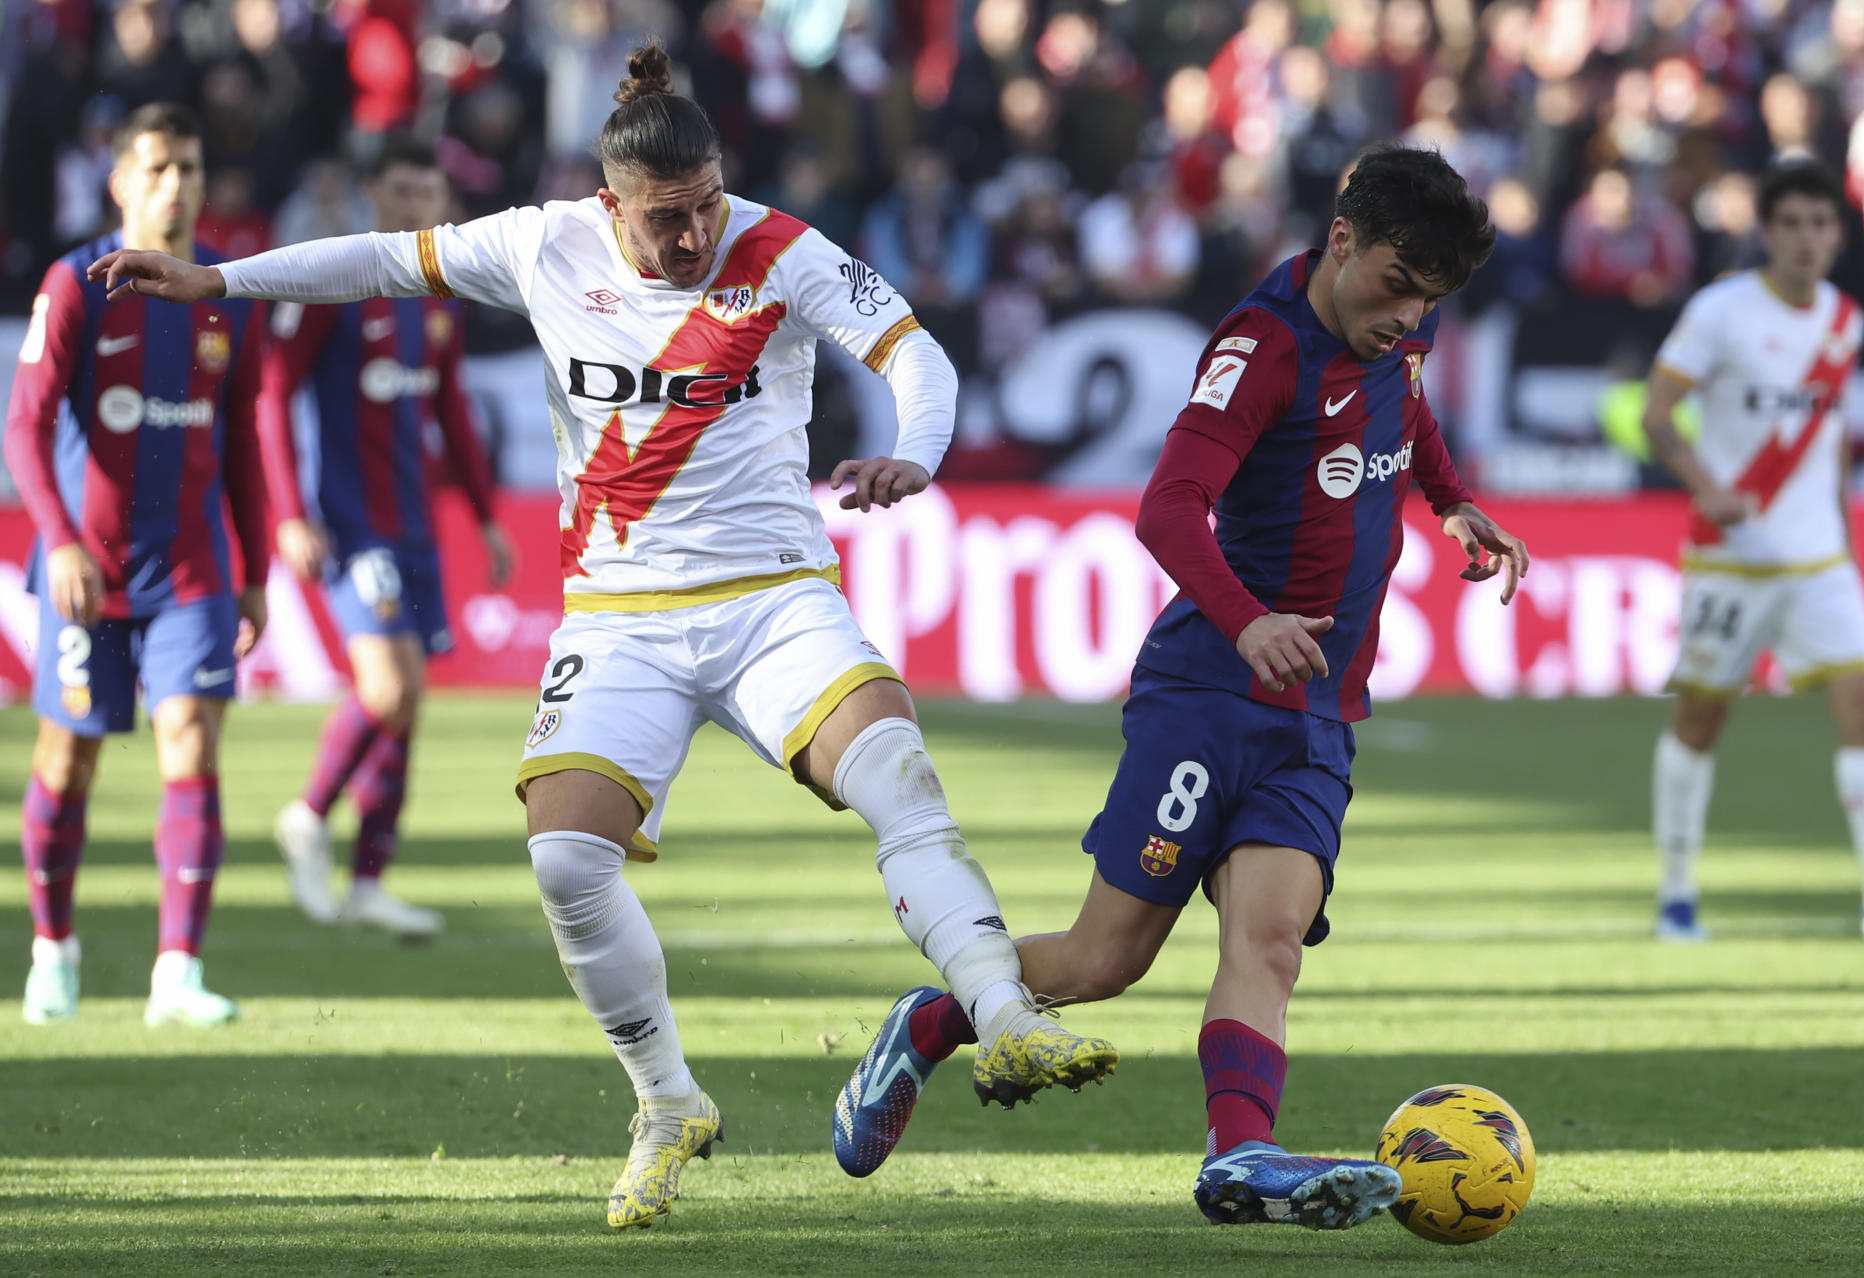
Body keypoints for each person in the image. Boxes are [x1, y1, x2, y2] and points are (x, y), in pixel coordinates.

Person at [88, 44, 1116, 1229]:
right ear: (609, 202)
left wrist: (914, 456)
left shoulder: (782, 248)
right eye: (668, 219)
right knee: (566, 861)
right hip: (619, 615)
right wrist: (217, 285)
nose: (696, 239)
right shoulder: (541, 244)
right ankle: (667, 1100)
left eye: (709, 206)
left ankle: (1008, 1019)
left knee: (895, 772)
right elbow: (376, 260)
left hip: (774, 593)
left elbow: (916, 356)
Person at [833, 144, 1529, 1230]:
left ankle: (1239, 1155)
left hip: (1319, 710)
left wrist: (1450, 502)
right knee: (1104, 960)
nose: (1410, 317)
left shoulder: (1401, 320)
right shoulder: (1260, 351)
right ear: (1340, 240)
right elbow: (1167, 507)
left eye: (1431, 299)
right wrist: (1248, 621)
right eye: (1398, 287)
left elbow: (1407, 410)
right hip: (1211, 691)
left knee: (1270, 942)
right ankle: (931, 1022)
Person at [6, 103, 270, 1028]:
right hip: (88, 574)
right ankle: (53, 951)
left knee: (192, 738)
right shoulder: (77, 284)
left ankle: (178, 972)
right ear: (121, 181)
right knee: (69, 760)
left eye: (189, 168)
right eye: (157, 167)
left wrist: (258, 567)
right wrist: (62, 538)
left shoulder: (227, 295)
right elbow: (26, 425)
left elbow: (242, 442)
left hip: (191, 568)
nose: (176, 184)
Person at [1642, 162, 1864, 945]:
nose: (1807, 240)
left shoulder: (1845, 319)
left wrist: (1848, 542)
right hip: (1732, 556)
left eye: (1821, 224)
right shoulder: (1719, 312)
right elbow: (1658, 415)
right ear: (1767, 232)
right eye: (1791, 224)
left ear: (1839, 233)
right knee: (1701, 719)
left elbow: (1827, 441)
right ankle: (1677, 893)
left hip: (1821, 560)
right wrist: (1706, 485)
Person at [260, 140, 516, 937]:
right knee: (388, 690)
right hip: (348, 522)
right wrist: (289, 511)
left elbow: (450, 417)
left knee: (409, 704)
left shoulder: (439, 295)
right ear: (374, 194)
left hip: (413, 524)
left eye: (428, 193)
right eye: (401, 191)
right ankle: (306, 815)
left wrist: (483, 516)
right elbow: (271, 393)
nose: (415, 207)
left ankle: (369, 878)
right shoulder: (335, 283)